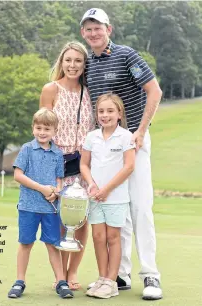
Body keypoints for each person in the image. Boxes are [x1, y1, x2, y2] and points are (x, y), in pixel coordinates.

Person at [80, 8, 163, 300]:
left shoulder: (127, 55)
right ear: (83, 33)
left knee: (140, 206)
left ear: (109, 29)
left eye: (98, 28)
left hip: (133, 140)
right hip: (106, 144)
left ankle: (150, 274)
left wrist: (141, 131)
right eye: (88, 29)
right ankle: (121, 274)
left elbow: (154, 91)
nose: (93, 33)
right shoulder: (88, 64)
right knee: (118, 207)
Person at [40, 41, 95, 290]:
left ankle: (73, 273)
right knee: (61, 221)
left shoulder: (90, 91)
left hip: (85, 164)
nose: (72, 65)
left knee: (81, 220)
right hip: (58, 164)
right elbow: (42, 129)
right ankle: (60, 274)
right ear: (61, 62)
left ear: (84, 65)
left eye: (78, 61)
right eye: (68, 60)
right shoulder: (51, 89)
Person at [8, 108, 74, 299]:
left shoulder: (57, 153)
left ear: (54, 131)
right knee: (26, 243)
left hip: (50, 209)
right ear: (33, 128)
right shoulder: (27, 149)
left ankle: (61, 282)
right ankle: (19, 281)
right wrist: (42, 188)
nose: (42, 132)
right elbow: (18, 175)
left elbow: (59, 179)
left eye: (47, 128)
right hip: (28, 206)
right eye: (38, 128)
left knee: (53, 245)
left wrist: (56, 192)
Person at [80, 93, 135, 299]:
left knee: (113, 238)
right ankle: (102, 278)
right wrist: (93, 184)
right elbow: (84, 164)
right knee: (97, 237)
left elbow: (129, 166)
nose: (105, 115)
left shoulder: (126, 136)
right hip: (95, 196)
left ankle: (112, 282)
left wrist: (107, 189)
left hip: (116, 197)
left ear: (119, 114)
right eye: (101, 111)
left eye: (110, 111)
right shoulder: (91, 137)